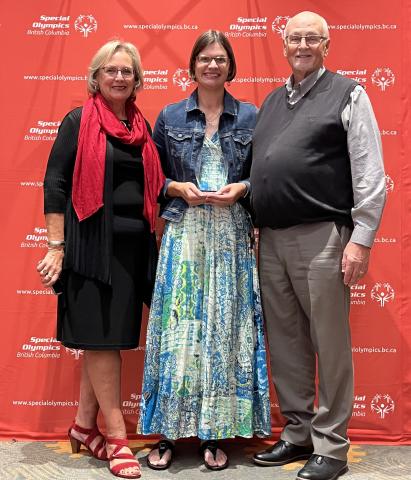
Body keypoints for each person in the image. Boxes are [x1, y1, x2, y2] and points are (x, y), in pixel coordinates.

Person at [250, 11, 386, 480]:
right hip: (270, 239)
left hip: (324, 236)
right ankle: (297, 433)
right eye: (295, 38)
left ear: (327, 45)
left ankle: (332, 447)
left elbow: (370, 172)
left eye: (313, 38)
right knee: (286, 342)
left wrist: (361, 239)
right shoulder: (270, 102)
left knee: (329, 342)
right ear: (283, 45)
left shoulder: (348, 94)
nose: (303, 45)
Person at [138, 30, 271, 471]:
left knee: (225, 332)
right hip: (184, 237)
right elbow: (150, 178)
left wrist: (244, 188)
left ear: (230, 67)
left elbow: (266, 176)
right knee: (180, 331)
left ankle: (217, 433)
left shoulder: (252, 116)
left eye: (220, 59)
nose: (212, 66)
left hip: (231, 238)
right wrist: (176, 186)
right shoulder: (171, 116)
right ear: (192, 66)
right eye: (204, 59)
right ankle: (171, 433)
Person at [37, 40, 165, 479]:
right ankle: (115, 436)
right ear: (96, 77)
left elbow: (154, 187)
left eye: (126, 71)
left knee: (106, 340)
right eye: (110, 70)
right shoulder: (78, 121)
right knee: (103, 340)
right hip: (91, 250)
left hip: (132, 252)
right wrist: (57, 245)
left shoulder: (141, 127)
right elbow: (55, 183)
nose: (118, 78)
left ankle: (82, 424)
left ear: (137, 80)